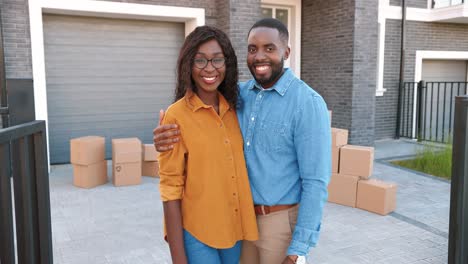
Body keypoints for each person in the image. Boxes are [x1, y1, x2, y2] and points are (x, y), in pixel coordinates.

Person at [154, 18, 331, 264]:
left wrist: (298, 251)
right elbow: (198, 111)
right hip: (243, 226)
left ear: (286, 52)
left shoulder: (307, 102)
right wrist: (165, 138)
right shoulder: (239, 97)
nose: (260, 56)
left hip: (279, 225)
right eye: (252, 49)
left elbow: (316, 182)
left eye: (269, 48)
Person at [157, 25, 258, 264]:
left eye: (217, 60)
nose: (209, 69)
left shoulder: (237, 109)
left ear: (227, 64)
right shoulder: (176, 116)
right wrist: (178, 259)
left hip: (235, 231)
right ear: (188, 65)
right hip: (197, 233)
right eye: (200, 61)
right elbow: (170, 190)